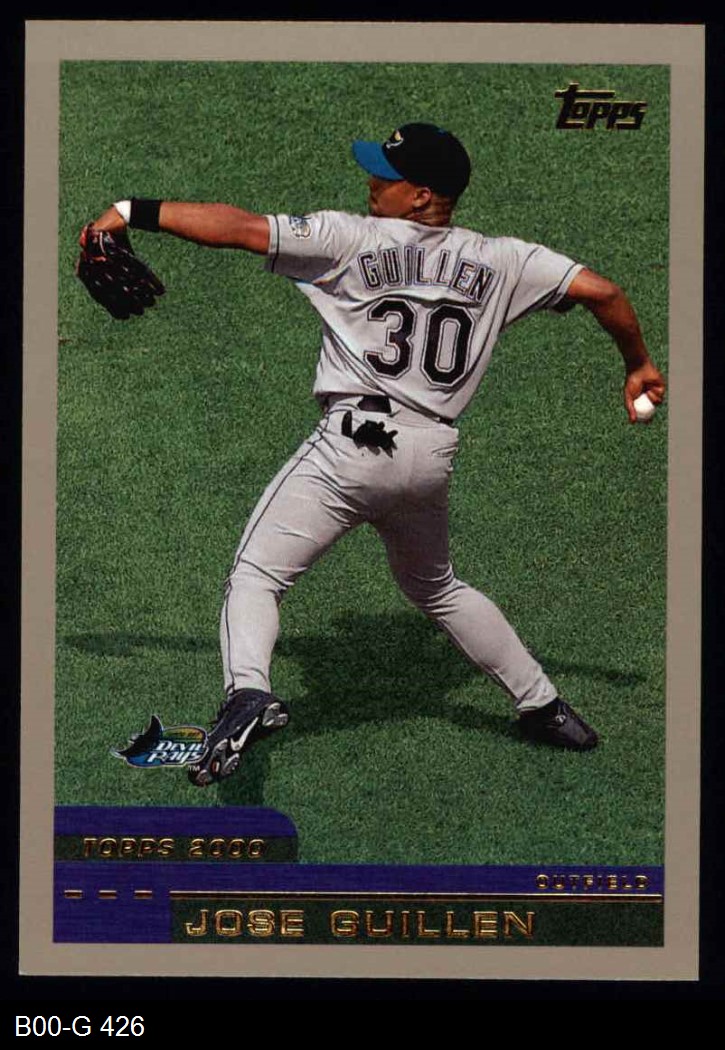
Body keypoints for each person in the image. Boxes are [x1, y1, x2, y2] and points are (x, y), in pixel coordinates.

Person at [89, 122, 666, 787]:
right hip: (428, 456)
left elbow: (240, 228)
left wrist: (131, 211)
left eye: (387, 175)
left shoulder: (348, 239)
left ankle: (246, 691)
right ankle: (544, 707)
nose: (372, 182)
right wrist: (637, 364)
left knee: (256, 576)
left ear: (421, 195)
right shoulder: (507, 260)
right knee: (436, 586)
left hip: (353, 446)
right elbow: (602, 292)